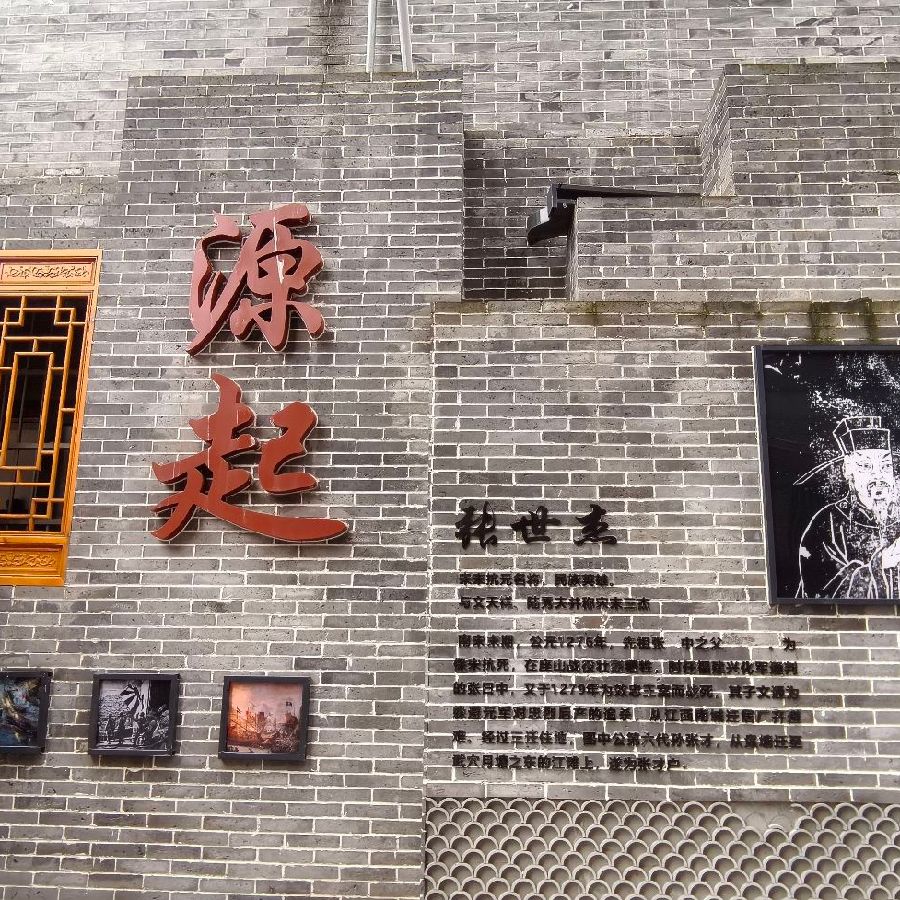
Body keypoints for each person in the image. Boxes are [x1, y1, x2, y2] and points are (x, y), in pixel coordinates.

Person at [797, 416, 900, 599]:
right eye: (866, 466)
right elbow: (820, 594)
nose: (878, 476)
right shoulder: (827, 523)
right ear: (847, 471)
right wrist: (880, 563)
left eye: (886, 466)